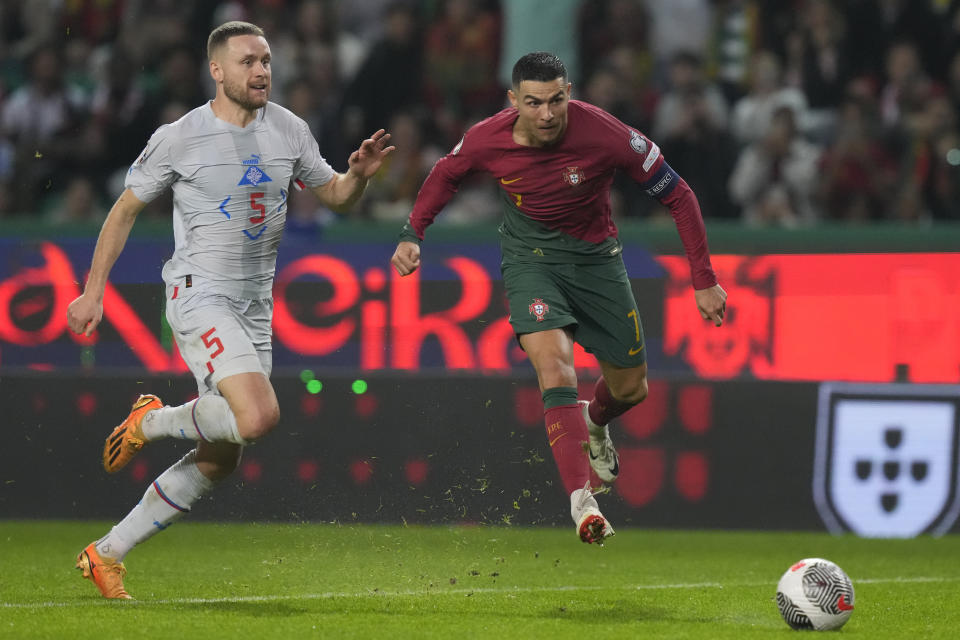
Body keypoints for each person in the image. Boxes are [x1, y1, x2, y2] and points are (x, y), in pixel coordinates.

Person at [66, 21, 393, 599]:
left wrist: (358, 178)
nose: (261, 70)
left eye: (266, 59)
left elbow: (336, 194)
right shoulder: (180, 136)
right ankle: (153, 420)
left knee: (222, 459)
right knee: (258, 418)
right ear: (216, 70)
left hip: (254, 305)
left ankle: (106, 553)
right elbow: (123, 211)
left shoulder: (289, 129)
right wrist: (93, 291)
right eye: (247, 61)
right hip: (199, 294)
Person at [390, 52, 726, 545]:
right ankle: (581, 502)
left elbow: (679, 195)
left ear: (569, 92)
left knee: (632, 389)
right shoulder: (488, 137)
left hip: (597, 263)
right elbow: (446, 173)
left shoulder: (606, 135)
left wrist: (703, 278)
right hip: (531, 260)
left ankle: (594, 421)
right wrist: (412, 233)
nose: (546, 114)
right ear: (514, 101)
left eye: (555, 100)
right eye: (533, 103)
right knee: (556, 369)